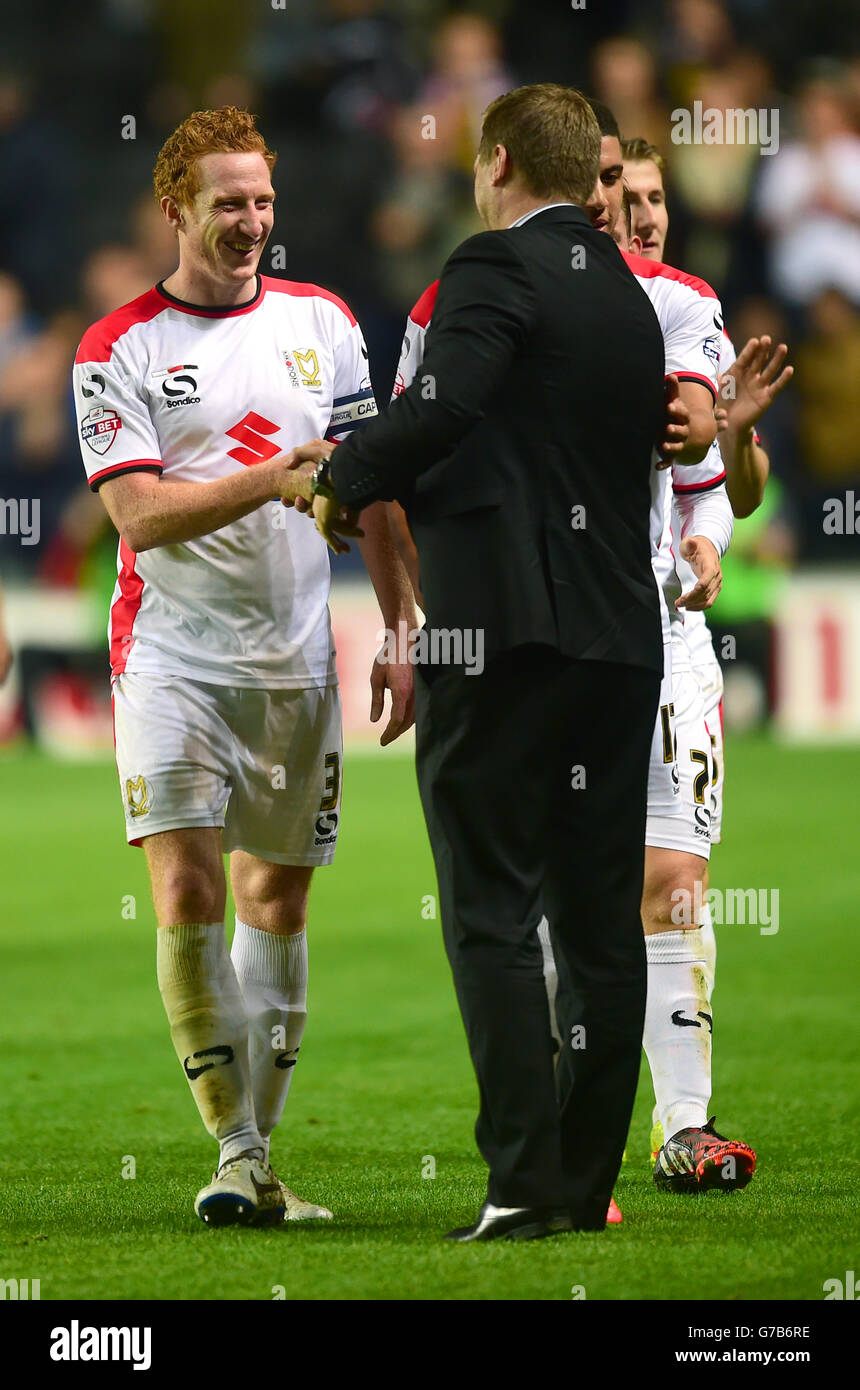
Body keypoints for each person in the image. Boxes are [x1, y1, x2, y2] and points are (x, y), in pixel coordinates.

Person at [285, 84, 687, 1240]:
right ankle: (574, 1184)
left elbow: (444, 404)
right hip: (616, 641)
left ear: (498, 160)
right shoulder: (625, 294)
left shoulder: (490, 267)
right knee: (600, 920)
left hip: (501, 637)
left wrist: (347, 473)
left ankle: (519, 1177)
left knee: (491, 909)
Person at [72, 106, 416, 1228]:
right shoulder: (116, 348)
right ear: (175, 209)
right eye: (228, 203)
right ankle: (232, 1145)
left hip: (294, 664)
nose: (251, 222)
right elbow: (136, 516)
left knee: (276, 898)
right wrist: (269, 482)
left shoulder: (322, 322)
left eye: (262, 202)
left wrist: (406, 629)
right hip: (169, 656)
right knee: (187, 888)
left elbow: (374, 493)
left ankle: (254, 1164)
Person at [621, 133, 791, 1176]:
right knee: (574, 892)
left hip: (669, 634)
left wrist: (710, 511)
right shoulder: (534, 305)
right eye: (616, 190)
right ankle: (558, 1139)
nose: (639, 210)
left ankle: (682, 1123)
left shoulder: (687, 306)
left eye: (651, 193)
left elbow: (730, 486)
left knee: (674, 875)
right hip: (561, 635)